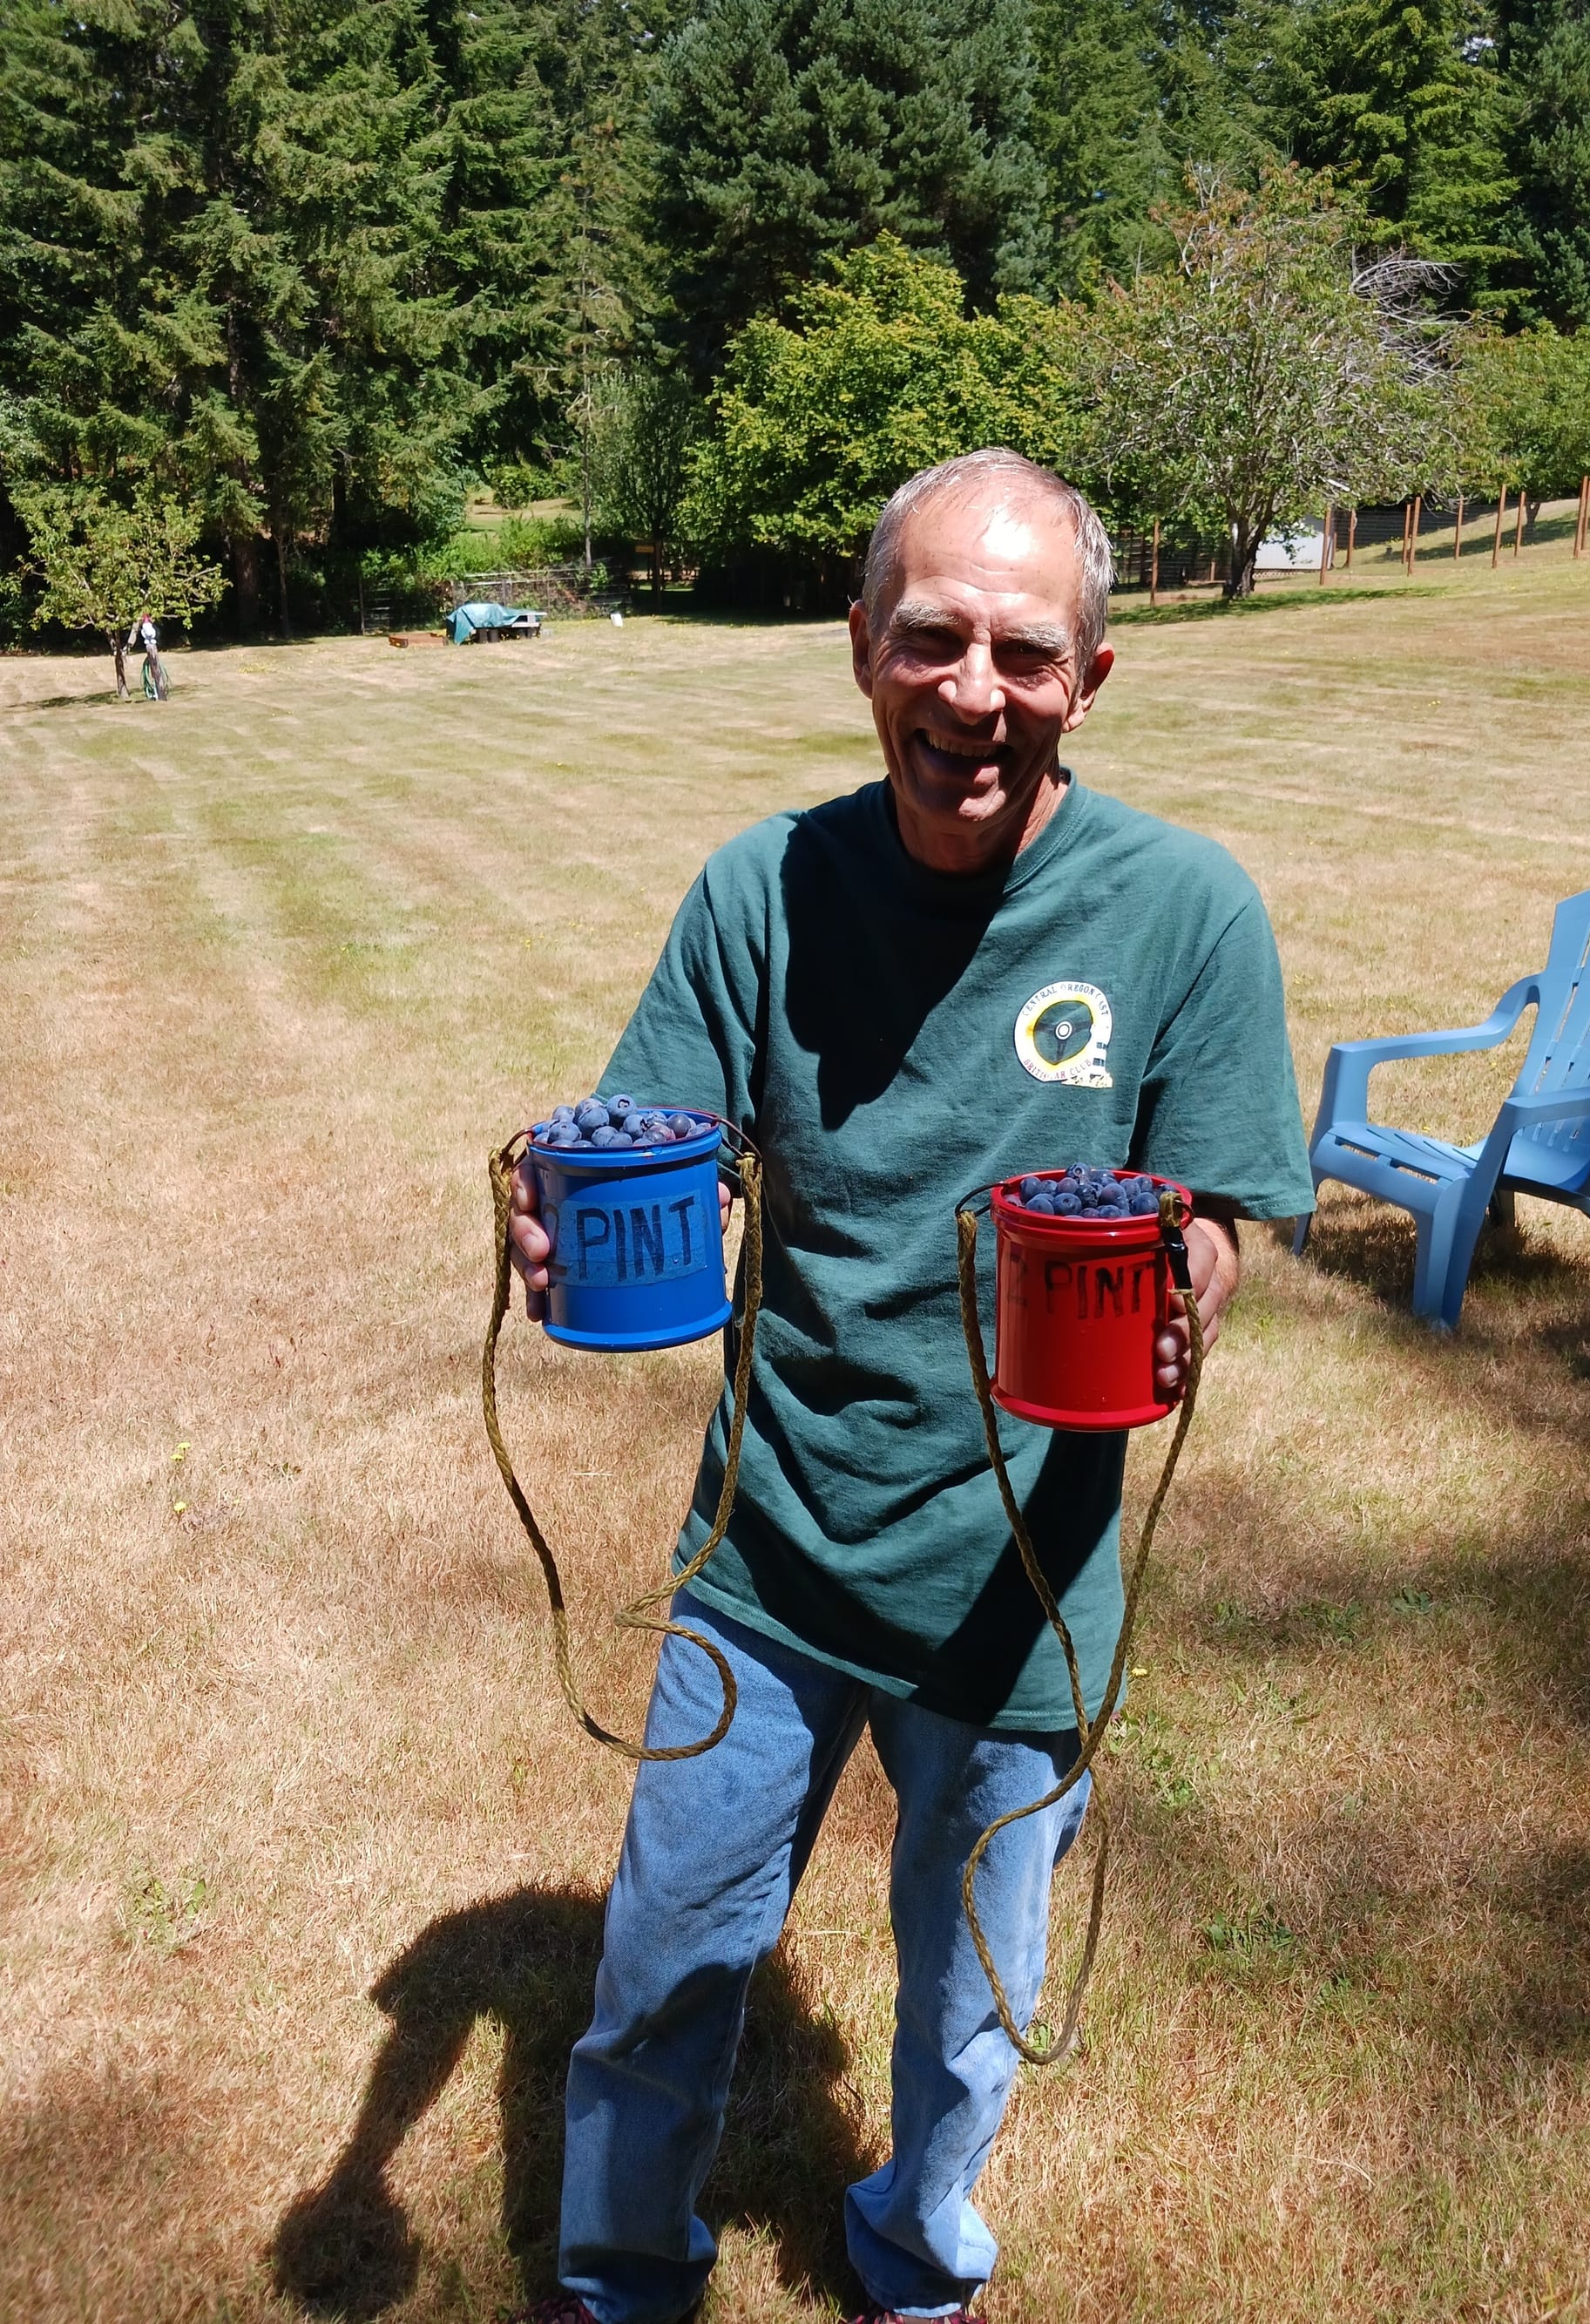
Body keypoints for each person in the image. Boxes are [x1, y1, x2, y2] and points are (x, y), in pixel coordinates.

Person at [506, 448, 1314, 2324]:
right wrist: (571, 1222)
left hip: (1019, 1583)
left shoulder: (1183, 911)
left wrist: (1185, 1282)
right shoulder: (762, 888)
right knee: (666, 1970)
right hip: (769, 1547)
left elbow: (1215, 1214)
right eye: (932, 637)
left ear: (1090, 678)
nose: (975, 691)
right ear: (859, 644)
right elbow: (661, 1146)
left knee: (964, 2020)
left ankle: (915, 2262)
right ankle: (621, 2279)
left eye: (1025, 653)